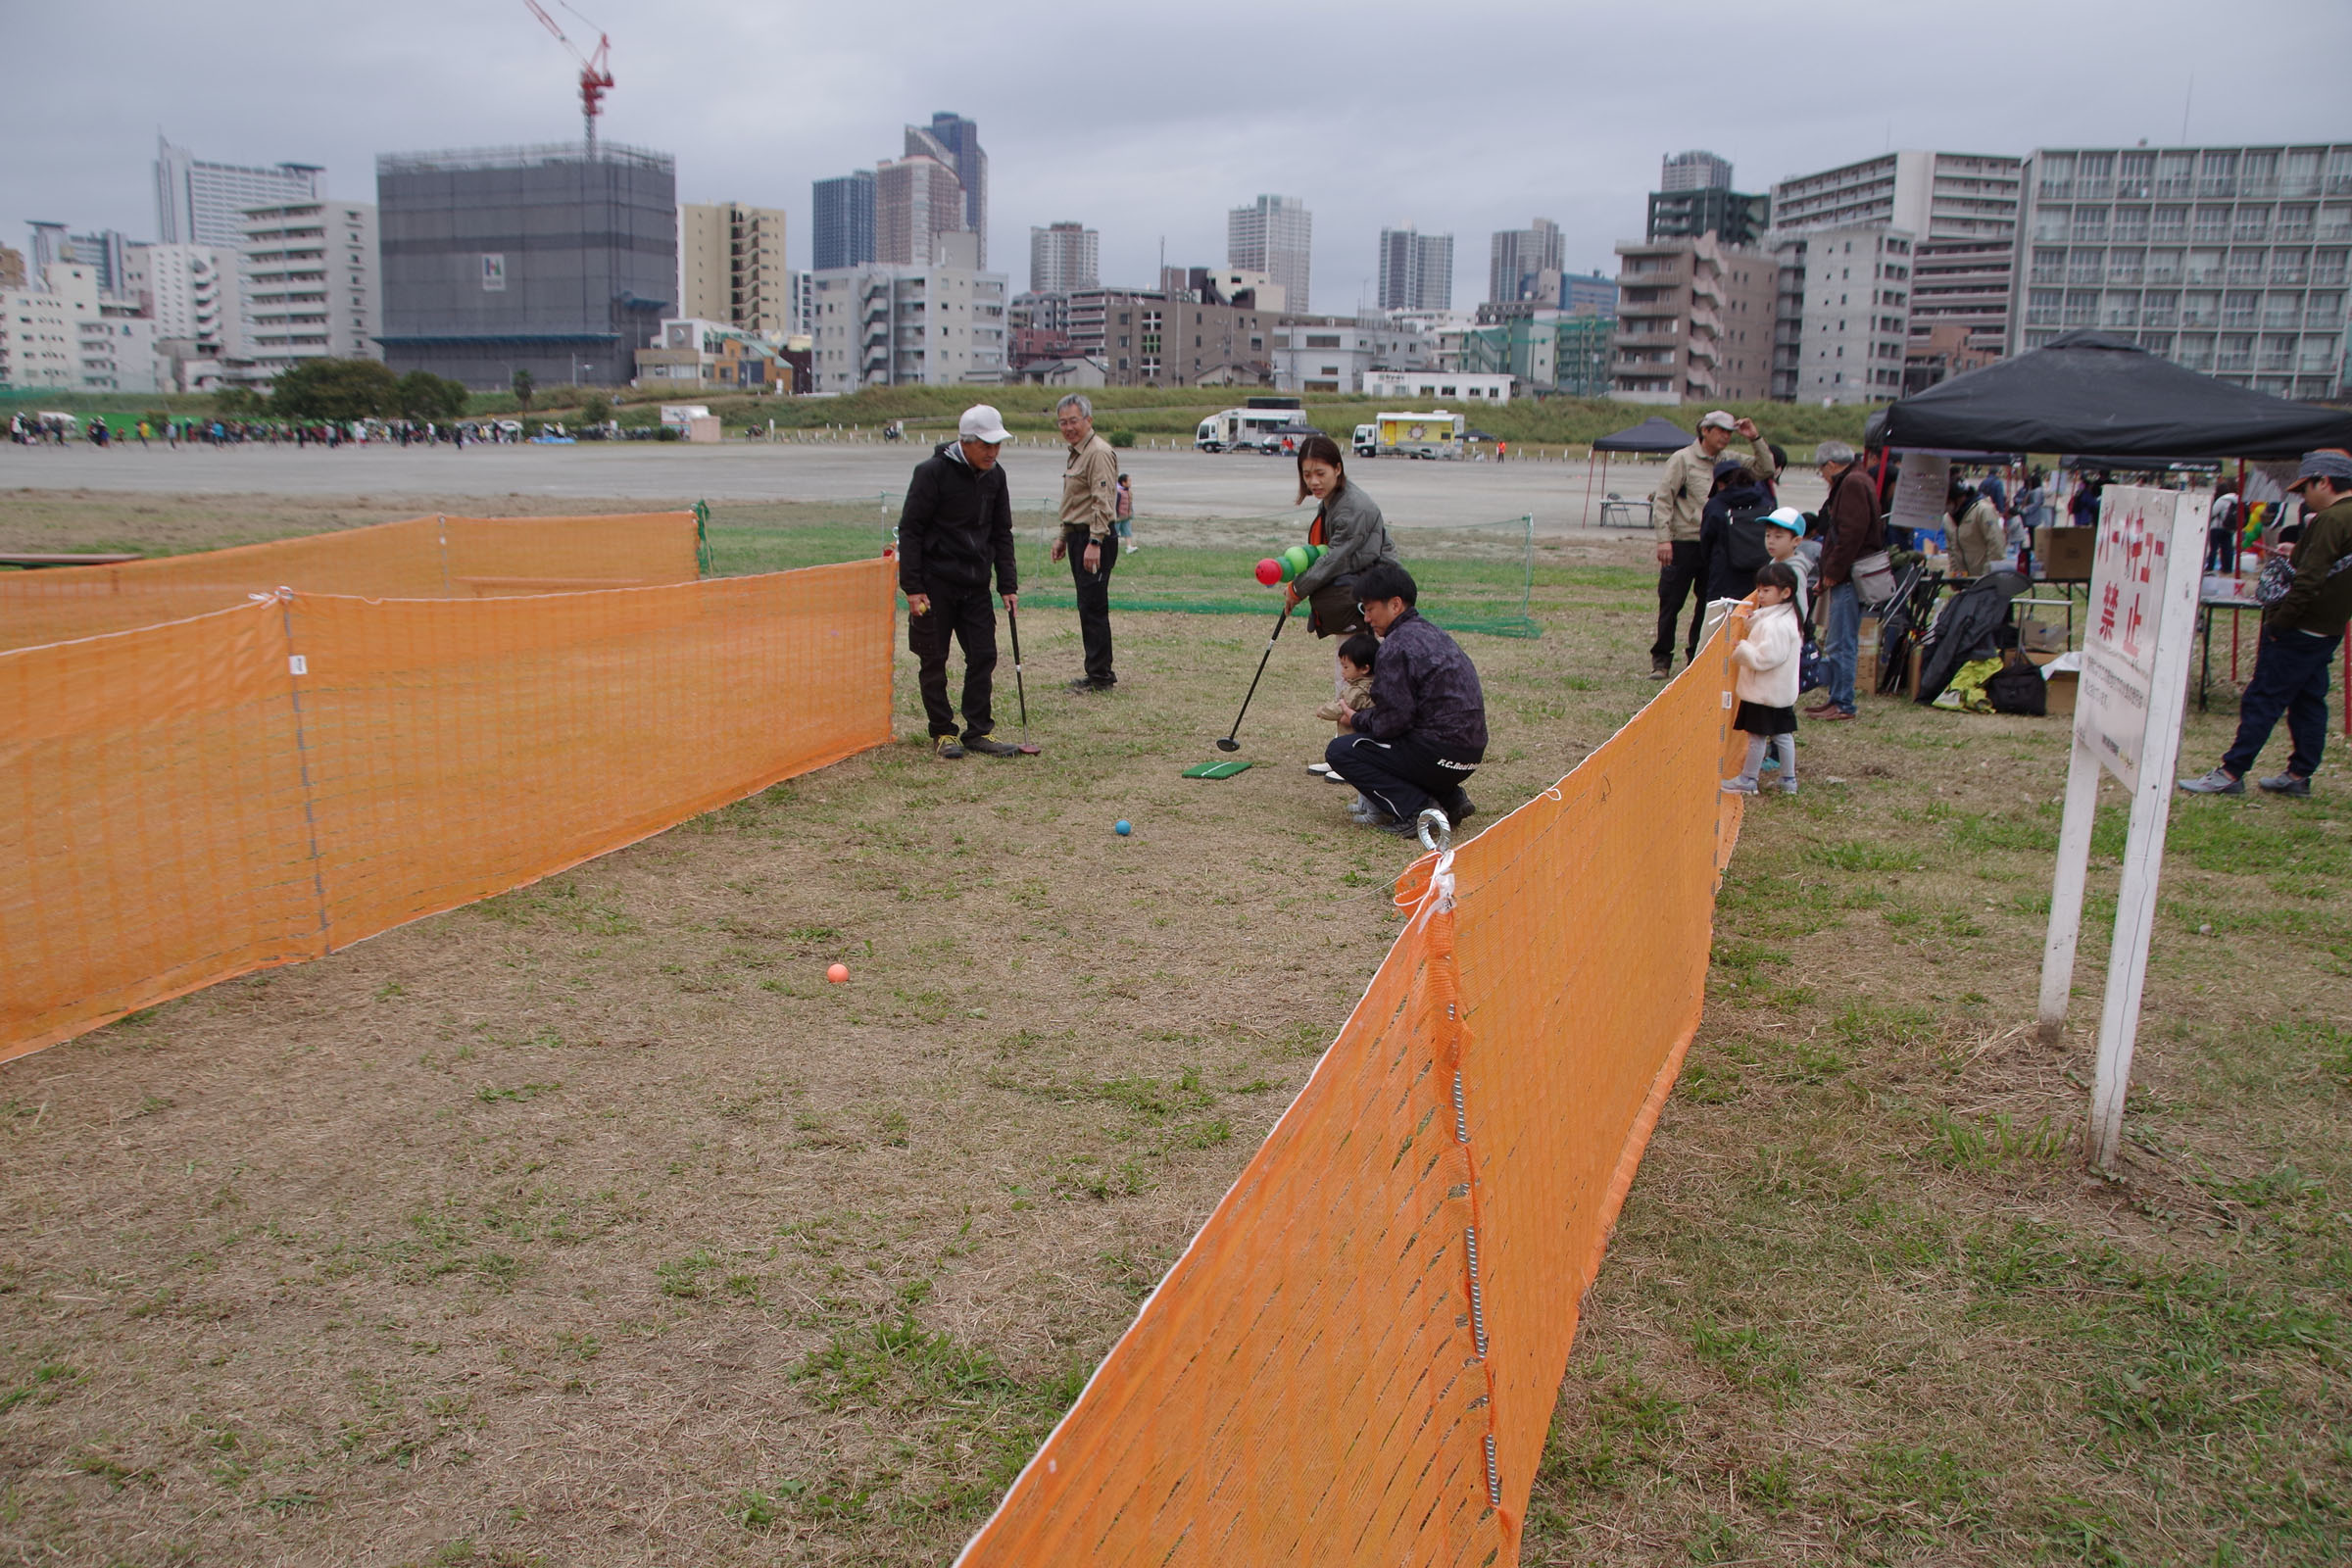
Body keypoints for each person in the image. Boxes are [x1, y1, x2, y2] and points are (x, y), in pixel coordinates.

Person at [2179, 450, 2352, 798]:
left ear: (2325, 482)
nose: (2303, 497)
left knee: (2263, 698)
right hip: (2329, 626)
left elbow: (2309, 580)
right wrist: (2299, 552)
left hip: (2300, 626)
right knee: (2308, 699)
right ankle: (2299, 774)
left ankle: (2231, 771)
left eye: (2306, 488)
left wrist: (2280, 623)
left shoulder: (2331, 519)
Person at [1326, 564, 1488, 836]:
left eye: (1370, 608)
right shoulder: (1436, 634)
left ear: (1395, 604)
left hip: (1438, 753)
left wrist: (1356, 718)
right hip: (1469, 755)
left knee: (1341, 751)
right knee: (1403, 745)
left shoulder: (1394, 646)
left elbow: (1393, 722)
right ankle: (1451, 798)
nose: (1366, 618)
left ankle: (1416, 809)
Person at [898, 405, 1022, 759]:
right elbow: (911, 530)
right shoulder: (931, 473)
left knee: (983, 654)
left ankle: (978, 730)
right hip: (935, 586)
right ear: (964, 442)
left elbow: (1002, 533)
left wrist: (1007, 585)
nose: (992, 452)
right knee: (933, 659)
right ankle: (942, 731)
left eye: (997, 444)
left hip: (976, 585)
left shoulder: (996, 477)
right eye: (985, 444)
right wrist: (913, 587)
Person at [1650, 411, 1773, 678]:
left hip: (1716, 543)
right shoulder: (1682, 459)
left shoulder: (1730, 461)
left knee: (1708, 604)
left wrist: (1754, 438)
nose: (1725, 436)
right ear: (1704, 430)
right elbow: (1663, 500)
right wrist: (1664, 539)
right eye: (1720, 430)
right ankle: (1661, 660)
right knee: (1671, 602)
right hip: (1684, 541)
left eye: (1729, 432)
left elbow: (1766, 469)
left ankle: (1696, 656)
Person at [1285, 433, 1398, 674]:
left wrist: (1298, 589)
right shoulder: (1331, 500)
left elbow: (1336, 558)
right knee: (1349, 672)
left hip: (1373, 598)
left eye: (1320, 473)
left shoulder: (1351, 507)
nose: (1313, 481)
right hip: (1358, 595)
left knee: (1361, 676)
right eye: (1307, 475)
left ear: (1338, 469)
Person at [1050, 393, 1122, 692]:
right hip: (1080, 535)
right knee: (1087, 605)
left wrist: (1094, 541)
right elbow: (1075, 501)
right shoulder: (1078, 452)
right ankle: (1097, 669)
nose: (1068, 427)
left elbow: (1103, 501)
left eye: (1074, 421)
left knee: (1093, 607)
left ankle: (1100, 676)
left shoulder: (1098, 452)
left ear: (1088, 420)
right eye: (1063, 422)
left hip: (1096, 537)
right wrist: (1064, 537)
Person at [1806, 439, 1882, 723]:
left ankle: (1843, 701)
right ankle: (1837, 697)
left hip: (1849, 576)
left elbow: (1850, 535)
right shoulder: (1859, 479)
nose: (1822, 476)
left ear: (1831, 465)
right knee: (1839, 639)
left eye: (1821, 470)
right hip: (1847, 573)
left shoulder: (1851, 484)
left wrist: (1832, 572)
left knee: (1842, 640)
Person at [1721, 563, 1804, 797]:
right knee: (1783, 735)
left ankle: (1748, 779)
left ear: (1785, 592)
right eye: (1759, 589)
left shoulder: (1775, 625)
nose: (1760, 595)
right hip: (1779, 692)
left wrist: (1744, 649)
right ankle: (1788, 779)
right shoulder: (1787, 618)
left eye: (1766, 590)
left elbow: (1767, 657)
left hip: (1763, 692)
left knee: (1756, 736)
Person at [1698, 458, 1777, 606]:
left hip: (1723, 576)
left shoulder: (1716, 505)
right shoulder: (1766, 501)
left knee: (1721, 625)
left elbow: (1706, 541)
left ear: (1720, 484)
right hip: (1760, 575)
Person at [1312, 631, 1380, 798]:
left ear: (1365, 668)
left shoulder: (1358, 690)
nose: (1342, 671)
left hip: (1356, 735)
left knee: (1352, 748)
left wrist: (1321, 711)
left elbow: (1339, 709)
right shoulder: (1366, 684)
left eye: (1346, 667)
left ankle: (1347, 770)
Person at [1947, 478, 2005, 577]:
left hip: (1984, 578)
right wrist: (1956, 577)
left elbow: (1996, 546)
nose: (1946, 505)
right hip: (1965, 580)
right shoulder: (1948, 518)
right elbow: (1952, 551)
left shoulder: (1983, 511)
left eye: (1948, 501)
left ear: (1960, 498)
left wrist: (1986, 577)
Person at [2206, 478, 2242, 574]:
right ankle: (2227, 568)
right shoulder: (2238, 499)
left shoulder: (2222, 499)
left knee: (2213, 549)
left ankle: (2210, 567)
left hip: (2217, 527)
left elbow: (2213, 512)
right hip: (2230, 527)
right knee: (2227, 549)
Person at [1115, 471, 1137, 553]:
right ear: (1123, 483)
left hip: (1126, 516)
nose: (1130, 483)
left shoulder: (1128, 491)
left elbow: (1130, 503)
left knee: (1127, 532)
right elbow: (1115, 505)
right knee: (1115, 533)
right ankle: (1113, 548)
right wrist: (1116, 515)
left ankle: (1129, 547)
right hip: (1118, 517)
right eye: (1129, 481)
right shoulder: (1118, 492)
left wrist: (1130, 513)